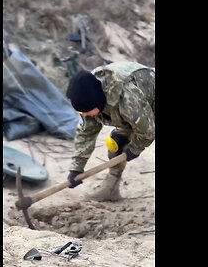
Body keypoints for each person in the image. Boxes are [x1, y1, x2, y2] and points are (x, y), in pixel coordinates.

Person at [65, 61, 155, 202]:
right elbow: (85, 133)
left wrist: (134, 149)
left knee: (140, 132)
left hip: (147, 100)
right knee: (115, 144)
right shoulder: (88, 94)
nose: (85, 115)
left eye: (87, 111)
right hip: (135, 111)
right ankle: (111, 189)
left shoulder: (127, 98)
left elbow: (148, 131)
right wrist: (76, 168)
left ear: (97, 103)